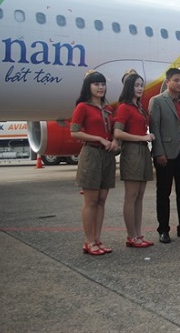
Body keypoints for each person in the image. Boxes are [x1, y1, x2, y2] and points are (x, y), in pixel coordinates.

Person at [70, 71, 119, 256]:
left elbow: (113, 129)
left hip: (107, 156)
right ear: (88, 86)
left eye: (103, 84)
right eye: (96, 84)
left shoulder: (107, 108)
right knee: (90, 201)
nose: (100, 87)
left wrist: (114, 141)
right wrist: (99, 138)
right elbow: (74, 132)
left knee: (101, 201)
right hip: (91, 154)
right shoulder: (83, 107)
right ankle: (89, 241)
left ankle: (98, 239)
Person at [148, 68, 180, 244]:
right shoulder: (157, 101)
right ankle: (163, 229)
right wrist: (159, 151)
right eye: (176, 80)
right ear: (167, 82)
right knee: (164, 193)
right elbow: (155, 128)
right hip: (166, 153)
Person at [113, 72, 155, 248]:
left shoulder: (139, 107)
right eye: (137, 85)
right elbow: (117, 133)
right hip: (132, 151)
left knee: (139, 196)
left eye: (141, 85)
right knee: (131, 196)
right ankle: (131, 235)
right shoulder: (124, 107)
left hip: (143, 152)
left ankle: (138, 234)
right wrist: (142, 138)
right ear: (129, 87)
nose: (140, 88)